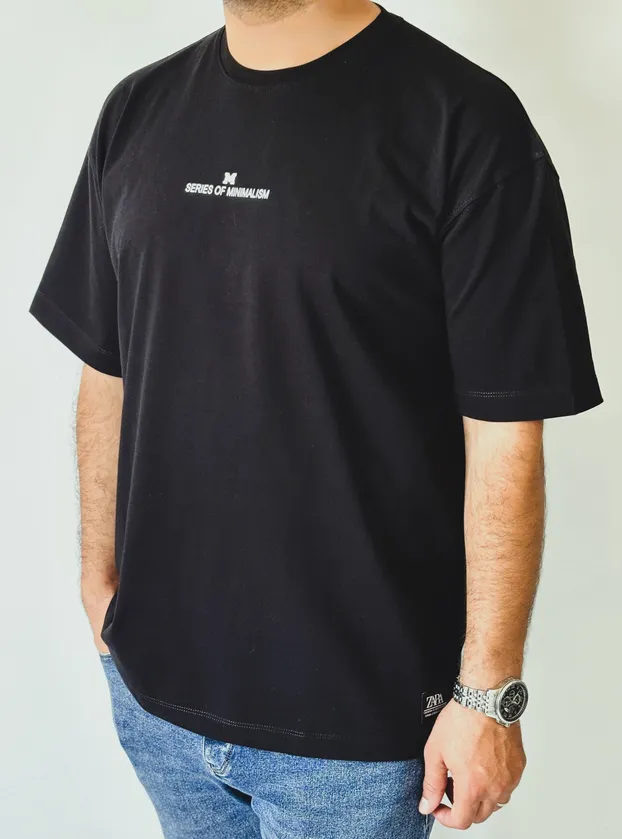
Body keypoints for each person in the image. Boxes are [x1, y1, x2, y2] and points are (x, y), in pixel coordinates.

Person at [29, 1, 602, 836]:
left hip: (357, 735)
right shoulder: (137, 108)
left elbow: (505, 430)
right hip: (156, 699)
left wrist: (489, 694)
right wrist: (97, 579)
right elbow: (105, 367)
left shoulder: (465, 120)